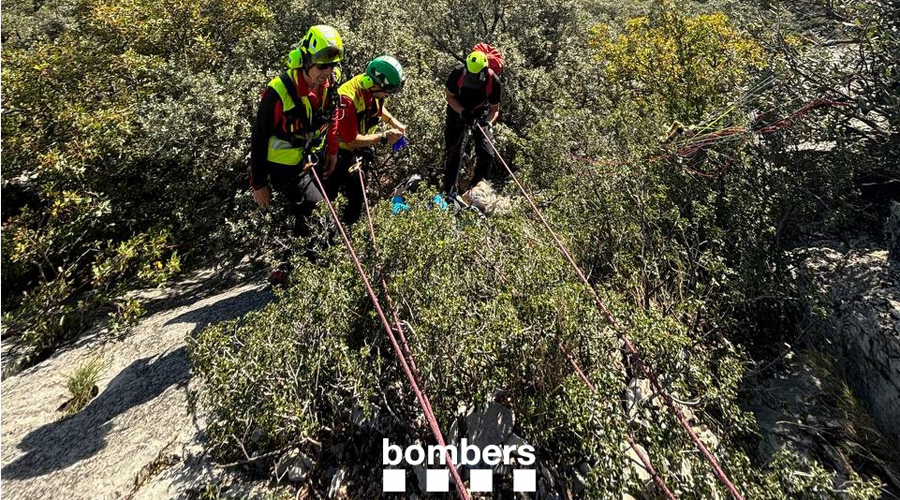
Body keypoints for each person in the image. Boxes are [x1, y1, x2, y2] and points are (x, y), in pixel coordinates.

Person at [248, 25, 344, 282]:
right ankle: (309, 272)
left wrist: (332, 150)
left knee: (307, 213)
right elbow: (259, 137)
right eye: (322, 67)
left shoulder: (327, 83)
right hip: (284, 166)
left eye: (331, 67)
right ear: (304, 61)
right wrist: (258, 183)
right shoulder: (279, 92)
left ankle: (290, 266)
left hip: (312, 158)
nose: (327, 73)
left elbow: (331, 115)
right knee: (318, 211)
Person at [333, 55, 408, 226]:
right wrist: (383, 137)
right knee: (343, 198)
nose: (387, 96)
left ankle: (350, 225)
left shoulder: (370, 88)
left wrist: (393, 121)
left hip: (359, 150)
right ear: (374, 84)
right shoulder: (347, 98)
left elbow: (376, 109)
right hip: (341, 154)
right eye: (387, 92)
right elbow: (350, 140)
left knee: (357, 198)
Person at [442, 49, 502, 195]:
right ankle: (447, 190)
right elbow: (450, 97)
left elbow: (494, 109)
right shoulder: (457, 73)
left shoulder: (493, 82)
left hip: (481, 115)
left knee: (487, 154)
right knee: (453, 153)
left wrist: (487, 123)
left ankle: (475, 193)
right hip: (457, 113)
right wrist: (463, 112)